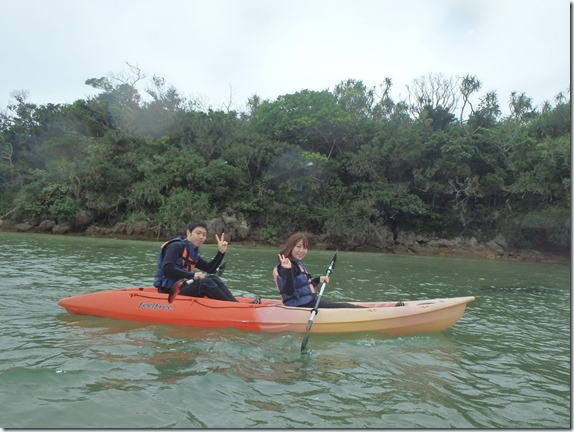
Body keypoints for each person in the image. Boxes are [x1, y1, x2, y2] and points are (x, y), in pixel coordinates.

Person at [273, 232, 365, 308]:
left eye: (305, 248)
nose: (302, 251)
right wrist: (288, 269)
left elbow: (301, 287)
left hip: (308, 303)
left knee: (345, 305)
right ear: (291, 247)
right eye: (298, 246)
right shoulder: (286, 266)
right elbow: (289, 291)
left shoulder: (295, 264)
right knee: (345, 306)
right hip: (302, 307)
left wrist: (318, 279)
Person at [154, 220, 238, 303]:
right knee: (205, 283)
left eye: (204, 235)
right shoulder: (176, 246)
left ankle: (234, 304)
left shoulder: (192, 251)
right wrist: (193, 275)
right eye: (198, 233)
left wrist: (221, 252)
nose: (201, 237)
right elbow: (167, 267)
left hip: (182, 287)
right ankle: (233, 307)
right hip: (169, 292)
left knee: (213, 278)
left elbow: (209, 269)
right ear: (188, 233)